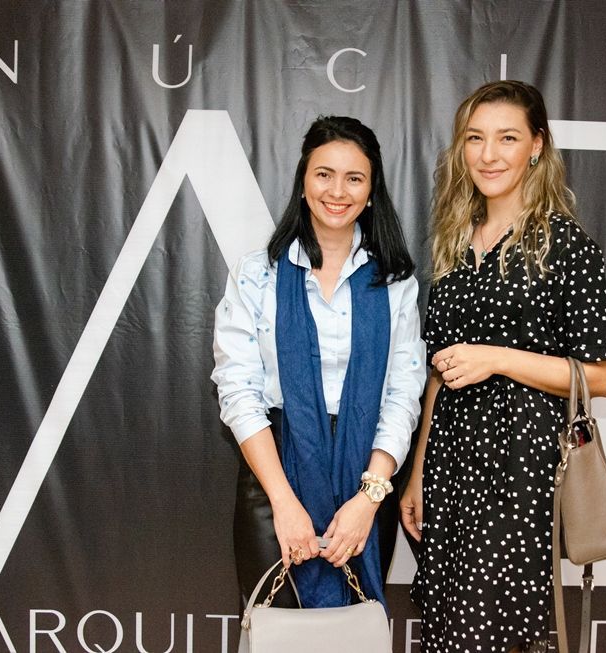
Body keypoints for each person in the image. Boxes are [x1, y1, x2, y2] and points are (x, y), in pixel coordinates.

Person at [400, 81, 606, 652]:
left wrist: (497, 358)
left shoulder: (568, 246)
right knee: (448, 627)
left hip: (519, 471)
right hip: (451, 466)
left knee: (490, 632)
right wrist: (420, 469)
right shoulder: (453, 244)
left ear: (537, 147)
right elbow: (438, 373)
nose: (488, 154)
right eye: (475, 138)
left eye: (507, 138)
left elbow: (602, 376)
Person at [212, 116, 425, 610]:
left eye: (355, 178)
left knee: (353, 629)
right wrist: (285, 506)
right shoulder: (256, 274)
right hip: (275, 476)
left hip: (366, 482)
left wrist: (369, 499)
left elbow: (402, 393)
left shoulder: (394, 282)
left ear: (372, 192)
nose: (338, 191)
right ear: (303, 182)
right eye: (324, 174)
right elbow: (238, 391)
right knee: (277, 632)